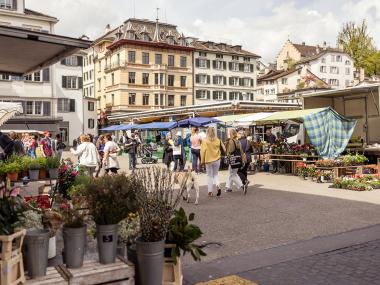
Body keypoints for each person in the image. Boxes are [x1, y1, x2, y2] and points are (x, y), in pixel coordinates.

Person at [201, 127, 225, 197]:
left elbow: (203, 151)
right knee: (215, 175)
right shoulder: (218, 140)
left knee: (209, 176)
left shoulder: (205, 141)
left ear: (207, 132)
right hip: (217, 159)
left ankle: (210, 191)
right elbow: (224, 149)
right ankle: (218, 186)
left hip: (208, 160)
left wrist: (202, 161)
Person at [225, 129, 246, 193]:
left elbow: (230, 151)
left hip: (233, 160)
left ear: (231, 134)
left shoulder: (231, 141)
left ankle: (242, 185)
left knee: (232, 175)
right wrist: (243, 160)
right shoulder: (238, 141)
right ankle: (229, 188)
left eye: (230, 133)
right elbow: (242, 152)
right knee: (232, 174)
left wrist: (227, 155)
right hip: (238, 160)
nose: (229, 134)